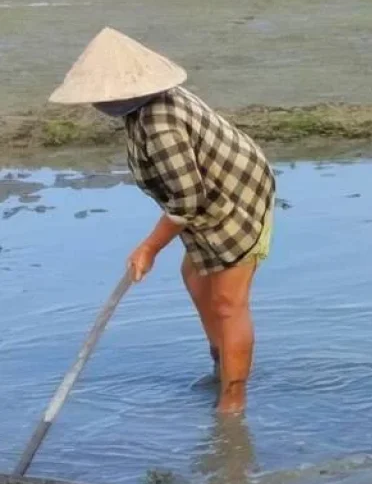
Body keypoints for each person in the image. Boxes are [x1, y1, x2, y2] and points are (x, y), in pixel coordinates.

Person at [49, 27, 275, 415]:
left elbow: (188, 199)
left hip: (236, 197)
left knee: (228, 302)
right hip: (210, 194)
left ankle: (233, 401)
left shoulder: (160, 123)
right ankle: (223, 362)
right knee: (195, 277)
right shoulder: (141, 111)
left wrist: (149, 248)